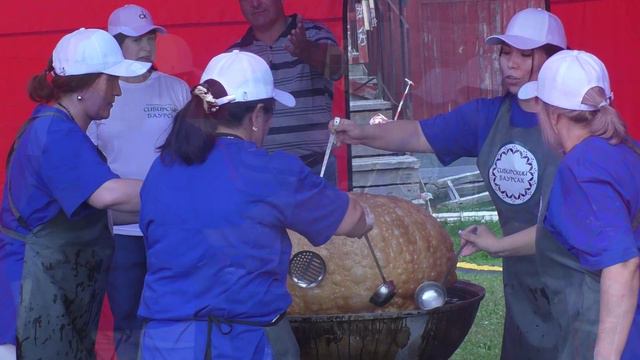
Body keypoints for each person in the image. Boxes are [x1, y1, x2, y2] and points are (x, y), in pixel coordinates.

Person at [332, 8, 567, 359]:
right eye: (505, 53)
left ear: (553, 59)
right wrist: (361, 132)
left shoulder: (575, 123)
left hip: (575, 275)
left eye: (524, 55)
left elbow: (568, 226)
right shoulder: (487, 118)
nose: (510, 64)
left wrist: (499, 245)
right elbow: (416, 134)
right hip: (523, 284)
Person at [137, 50, 372, 359]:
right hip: (243, 341)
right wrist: (366, 215)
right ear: (257, 115)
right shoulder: (271, 170)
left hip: (165, 342)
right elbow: (353, 219)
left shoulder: (162, 168)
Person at [0, 28, 150, 359]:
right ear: (86, 83)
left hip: (54, 305)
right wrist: (185, 193)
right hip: (27, 305)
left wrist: (164, 209)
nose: (118, 91)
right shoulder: (54, 131)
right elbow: (108, 195)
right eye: (112, 80)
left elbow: (98, 212)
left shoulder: (60, 128)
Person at [517, 49, 640, 359]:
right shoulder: (628, 150)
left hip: (618, 339)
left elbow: (622, 263)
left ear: (553, 116)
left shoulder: (581, 169)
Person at [85, 5, 191, 358]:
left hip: (171, 229)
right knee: (128, 319)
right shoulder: (99, 94)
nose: (146, 47)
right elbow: (87, 162)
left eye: (150, 38)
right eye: (136, 40)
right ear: (116, 45)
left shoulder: (178, 90)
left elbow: (193, 156)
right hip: (120, 232)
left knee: (176, 317)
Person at [229, 0, 343, 183]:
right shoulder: (235, 53)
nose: (255, 4)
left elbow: (338, 68)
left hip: (315, 169)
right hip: (259, 174)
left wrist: (306, 49)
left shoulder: (316, 33)